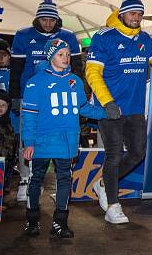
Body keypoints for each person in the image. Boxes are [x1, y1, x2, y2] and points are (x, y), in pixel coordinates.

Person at [86, 0, 152, 224]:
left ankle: (102, 184)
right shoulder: (104, 37)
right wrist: (107, 102)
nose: (136, 17)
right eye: (133, 13)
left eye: (140, 14)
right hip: (109, 108)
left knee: (137, 153)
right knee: (113, 155)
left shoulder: (143, 39)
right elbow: (92, 72)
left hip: (133, 110)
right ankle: (113, 205)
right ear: (122, 13)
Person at [21, 39, 106, 238]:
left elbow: (83, 108)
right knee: (36, 181)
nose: (66, 58)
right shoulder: (35, 81)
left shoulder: (75, 81)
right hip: (41, 142)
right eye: (61, 54)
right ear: (51, 56)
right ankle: (32, 221)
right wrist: (29, 142)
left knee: (65, 181)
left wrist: (106, 112)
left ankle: (60, 224)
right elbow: (29, 116)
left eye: (68, 54)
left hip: (67, 141)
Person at [9, 0, 82, 202]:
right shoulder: (23, 36)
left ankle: (62, 177)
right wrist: (15, 96)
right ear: (37, 18)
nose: (48, 23)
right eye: (44, 19)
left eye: (52, 19)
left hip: (61, 96)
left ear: (57, 19)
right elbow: (15, 69)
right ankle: (26, 178)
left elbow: (77, 68)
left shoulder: (68, 36)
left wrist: (78, 92)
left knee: (61, 134)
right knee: (28, 135)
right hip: (31, 95)